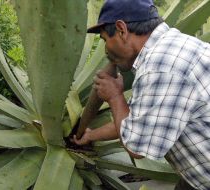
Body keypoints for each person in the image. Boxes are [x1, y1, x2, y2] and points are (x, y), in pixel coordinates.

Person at [72, 0, 210, 190]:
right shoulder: (171, 47)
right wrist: (90, 136)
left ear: (121, 29)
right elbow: (140, 121)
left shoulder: (162, 67)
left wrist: (114, 96)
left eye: (105, 40)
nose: (105, 50)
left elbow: (137, 147)